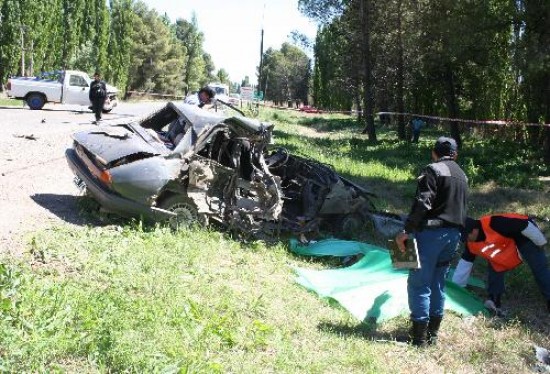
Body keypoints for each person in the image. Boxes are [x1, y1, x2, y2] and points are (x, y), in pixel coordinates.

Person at [395, 136, 468, 347]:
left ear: (434, 153)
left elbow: (423, 203)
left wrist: (406, 230)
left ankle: (418, 338)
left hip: (430, 235)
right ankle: (432, 335)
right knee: (438, 283)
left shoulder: (433, 170)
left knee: (419, 283)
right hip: (453, 236)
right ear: (455, 154)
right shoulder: (462, 175)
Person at [452, 215, 550, 316]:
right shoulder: (471, 242)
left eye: (467, 236)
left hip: (524, 234)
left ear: (474, 230)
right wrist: (457, 287)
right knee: (495, 263)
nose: (466, 240)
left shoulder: (496, 223)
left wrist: (540, 242)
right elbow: (465, 263)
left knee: (539, 268)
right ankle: (494, 301)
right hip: (504, 242)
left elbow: (524, 225)